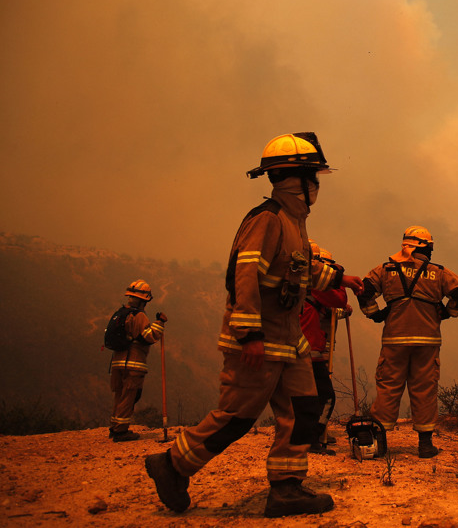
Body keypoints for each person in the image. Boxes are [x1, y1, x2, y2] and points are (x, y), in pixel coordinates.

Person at [145, 132, 364, 518]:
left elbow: (295, 270)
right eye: (313, 176)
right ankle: (173, 464)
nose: (316, 186)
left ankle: (286, 489)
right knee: (237, 417)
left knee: (304, 411)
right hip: (260, 341)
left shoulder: (294, 222)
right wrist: (248, 335)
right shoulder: (267, 219)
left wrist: (338, 278)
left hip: (289, 342)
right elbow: (243, 275)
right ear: (296, 178)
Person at [357, 225, 458, 458]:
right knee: (425, 389)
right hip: (427, 341)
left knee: (388, 388)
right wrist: (447, 312)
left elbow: (363, 290)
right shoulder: (439, 272)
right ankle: (425, 445)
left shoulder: (386, 269)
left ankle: (380, 443)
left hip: (394, 339)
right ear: (425, 247)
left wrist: (375, 313)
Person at [302, 243, 350, 455]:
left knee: (300, 397)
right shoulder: (315, 284)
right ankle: (312, 439)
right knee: (325, 396)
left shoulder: (298, 284)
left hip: (299, 349)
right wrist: (337, 276)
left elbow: (325, 310)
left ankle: (302, 436)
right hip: (310, 351)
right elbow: (338, 299)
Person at [106, 279, 167, 442]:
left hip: (117, 362)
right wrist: (160, 323)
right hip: (133, 363)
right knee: (129, 396)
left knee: (119, 395)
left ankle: (114, 426)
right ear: (144, 300)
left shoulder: (121, 313)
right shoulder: (138, 316)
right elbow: (148, 336)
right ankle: (121, 431)